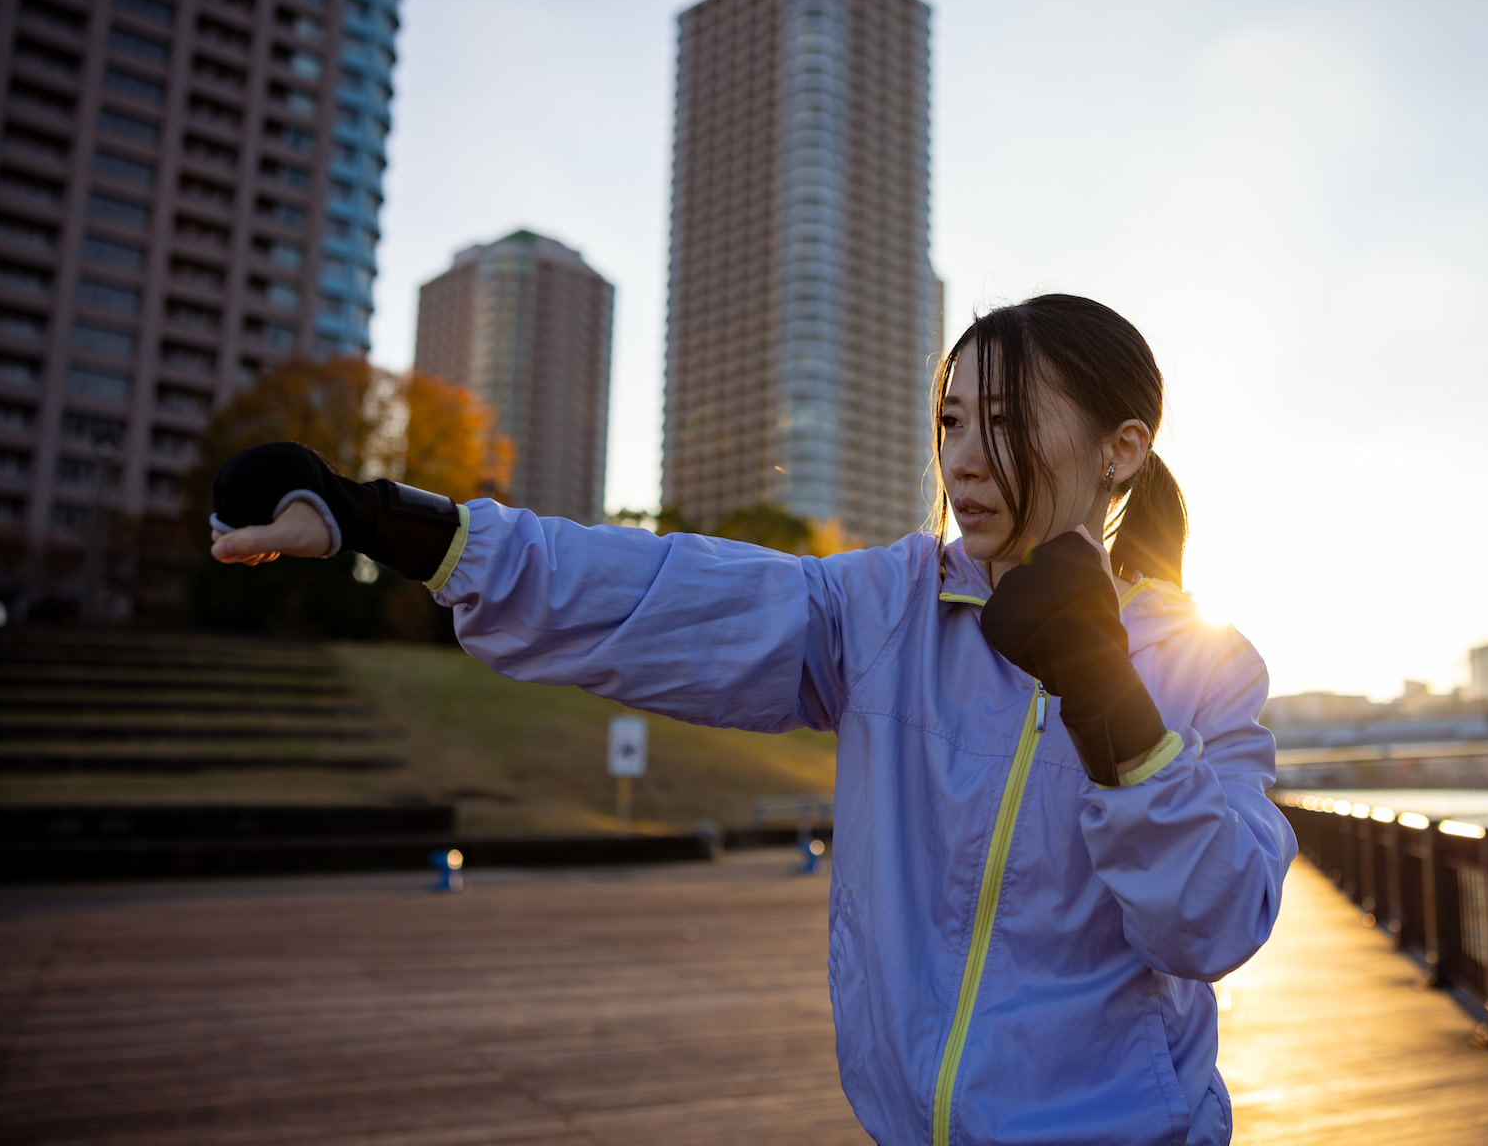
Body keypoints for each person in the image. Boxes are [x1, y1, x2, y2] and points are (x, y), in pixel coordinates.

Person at [210, 294, 1296, 1146]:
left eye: (1004, 422)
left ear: (1121, 449)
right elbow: (657, 592)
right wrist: (387, 521)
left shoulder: (1204, 665)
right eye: (951, 420)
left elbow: (1213, 923)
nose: (963, 456)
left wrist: (1109, 701)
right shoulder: (885, 607)